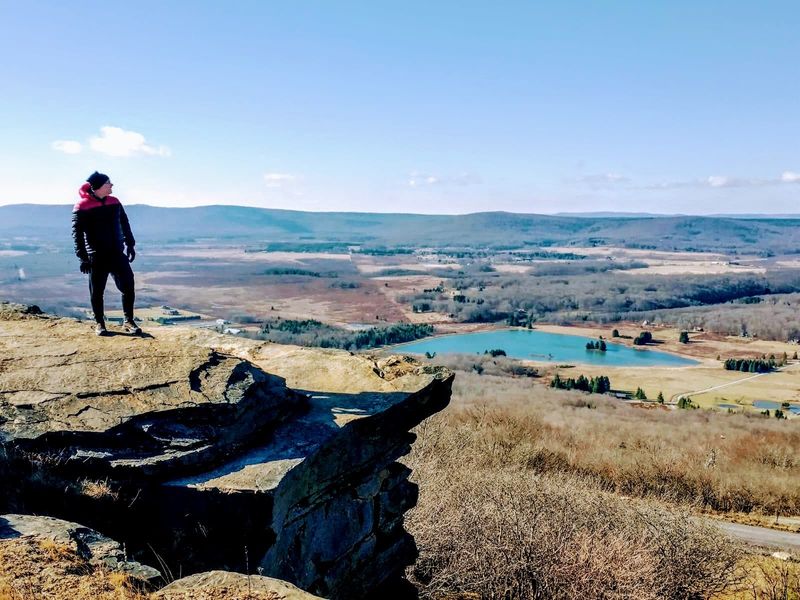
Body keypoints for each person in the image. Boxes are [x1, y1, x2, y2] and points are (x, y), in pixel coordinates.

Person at [72, 171, 141, 336]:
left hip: (117, 252)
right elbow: (77, 234)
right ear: (97, 187)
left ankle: (128, 320)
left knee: (128, 286)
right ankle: (99, 323)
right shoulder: (82, 206)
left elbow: (124, 223)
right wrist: (82, 257)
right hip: (96, 255)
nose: (111, 185)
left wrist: (130, 244)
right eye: (108, 183)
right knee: (97, 291)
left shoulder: (114, 202)